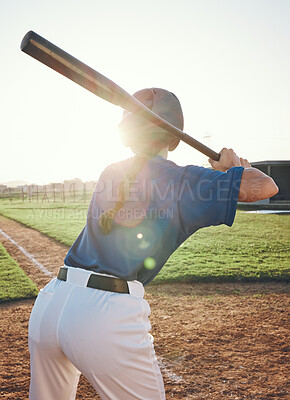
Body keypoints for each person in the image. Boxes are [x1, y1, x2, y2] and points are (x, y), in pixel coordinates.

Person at [28, 88, 278, 400]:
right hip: (105, 317)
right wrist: (234, 168)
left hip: (52, 301)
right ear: (174, 137)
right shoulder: (183, 180)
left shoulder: (111, 171)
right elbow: (265, 186)